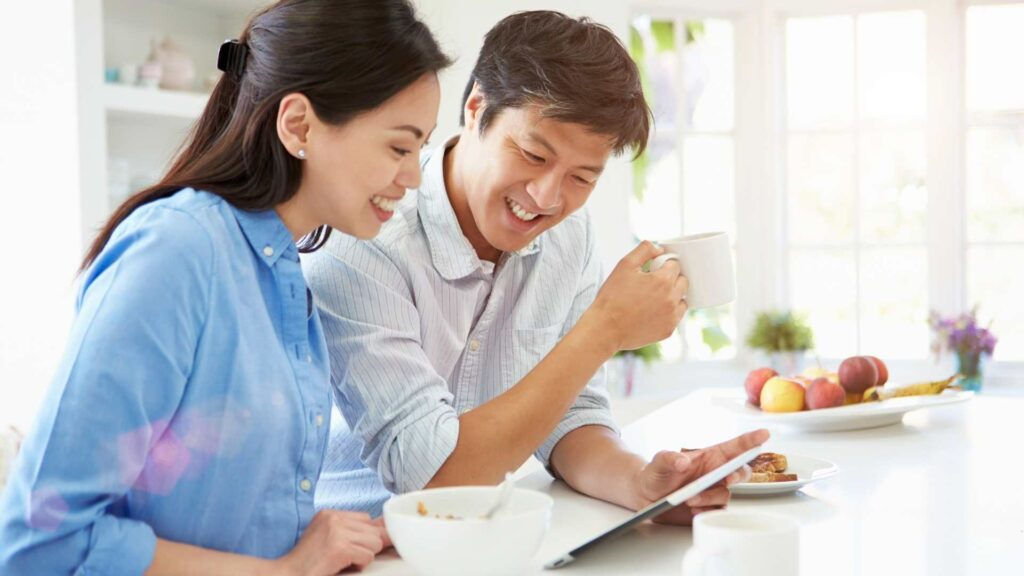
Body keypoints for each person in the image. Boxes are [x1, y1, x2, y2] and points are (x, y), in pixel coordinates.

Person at [0, 0, 449, 573]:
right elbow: (43, 543)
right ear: (299, 125)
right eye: (398, 147)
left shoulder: (286, 276)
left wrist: (321, 537)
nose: (412, 177)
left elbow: (211, 508)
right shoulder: (178, 252)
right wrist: (284, 570)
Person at [306, 10, 767, 523]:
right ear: (476, 109)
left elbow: (571, 415)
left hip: (493, 536)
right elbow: (433, 479)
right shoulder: (365, 240)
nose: (547, 197)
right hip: (364, 550)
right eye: (532, 154)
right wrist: (604, 329)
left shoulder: (569, 237)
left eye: (582, 177)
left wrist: (643, 486)